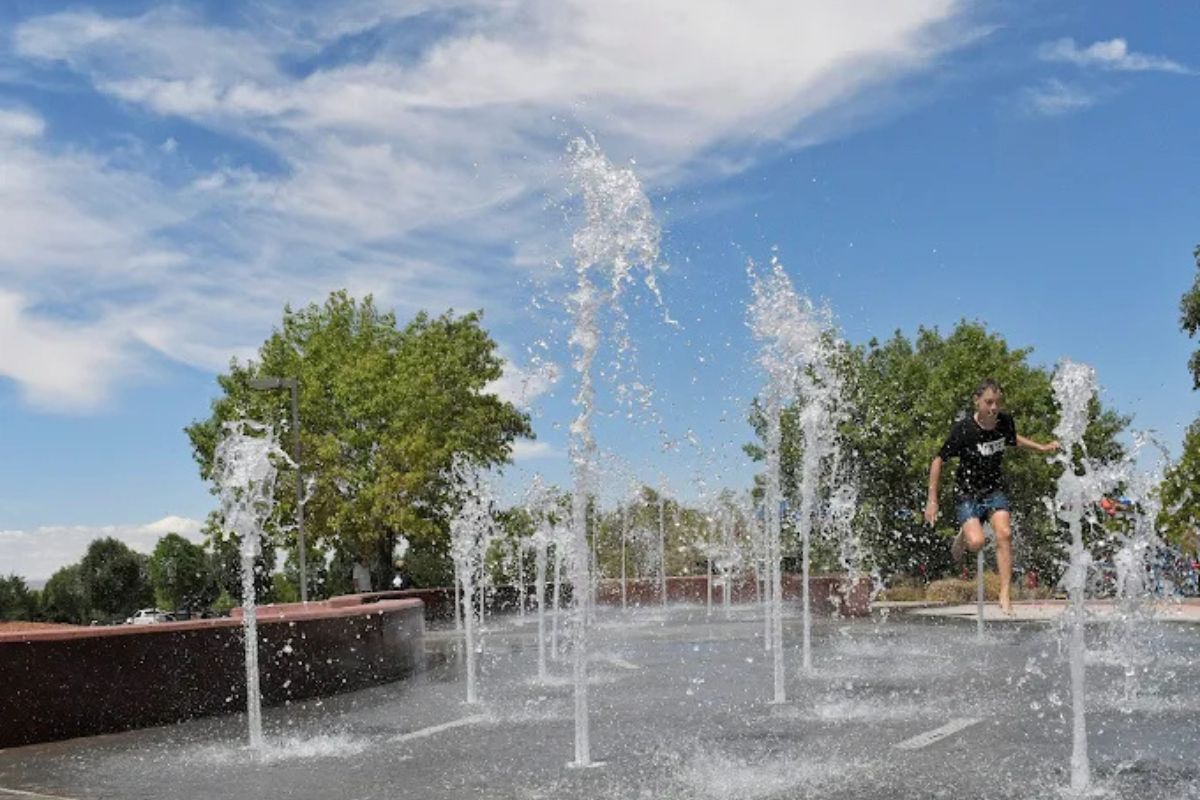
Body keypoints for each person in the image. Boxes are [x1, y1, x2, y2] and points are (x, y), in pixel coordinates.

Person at [924, 378, 1059, 614]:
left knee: (1005, 534)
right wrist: (932, 500)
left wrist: (1040, 447)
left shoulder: (1004, 422)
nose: (994, 408)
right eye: (988, 402)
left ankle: (1005, 593)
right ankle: (965, 536)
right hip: (967, 493)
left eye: (997, 403)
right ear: (977, 401)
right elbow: (938, 460)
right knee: (977, 542)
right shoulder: (963, 430)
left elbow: (1012, 439)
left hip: (995, 489)